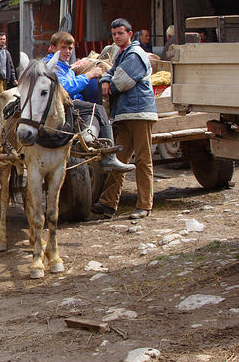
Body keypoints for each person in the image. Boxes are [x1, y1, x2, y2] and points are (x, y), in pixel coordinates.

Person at [92, 19, 158, 220]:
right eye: (114, 34)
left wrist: (108, 85)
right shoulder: (121, 55)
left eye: (120, 33)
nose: (117, 37)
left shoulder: (135, 55)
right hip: (124, 114)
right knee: (118, 160)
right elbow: (110, 73)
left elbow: (121, 81)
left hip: (139, 113)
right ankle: (108, 203)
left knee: (143, 159)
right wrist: (105, 79)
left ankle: (144, 205)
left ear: (130, 34)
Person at [44, 32, 134, 173]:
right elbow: (64, 89)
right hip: (57, 105)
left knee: (92, 109)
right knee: (98, 109)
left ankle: (88, 134)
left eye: (70, 48)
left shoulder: (65, 66)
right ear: (52, 48)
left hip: (68, 104)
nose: (67, 52)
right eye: (63, 48)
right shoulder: (51, 65)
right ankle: (108, 157)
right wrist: (89, 75)